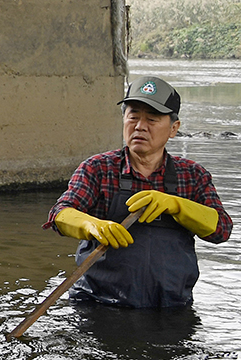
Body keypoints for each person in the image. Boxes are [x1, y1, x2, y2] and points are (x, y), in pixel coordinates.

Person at [46, 76, 231, 308]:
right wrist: (92, 225)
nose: (140, 126)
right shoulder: (98, 168)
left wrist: (177, 205)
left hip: (171, 309)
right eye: (133, 116)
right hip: (98, 305)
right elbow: (59, 214)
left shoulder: (193, 176)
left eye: (152, 119)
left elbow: (221, 230)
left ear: (174, 128)